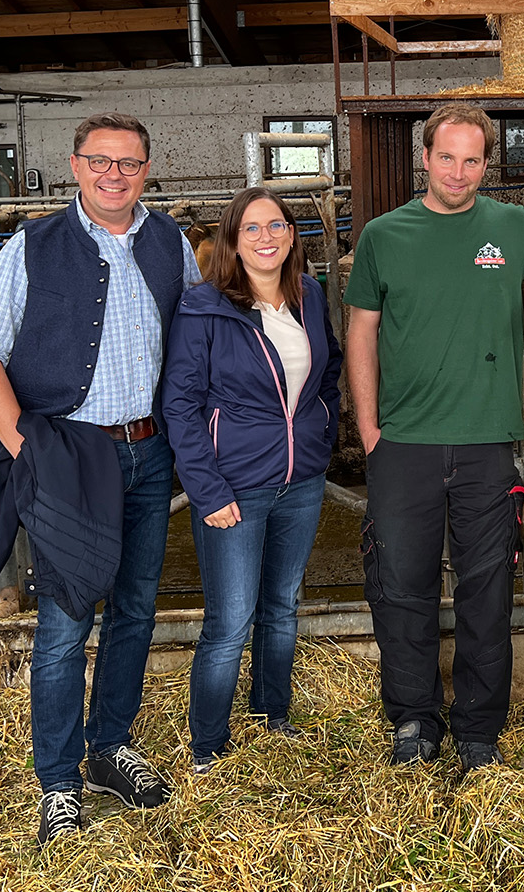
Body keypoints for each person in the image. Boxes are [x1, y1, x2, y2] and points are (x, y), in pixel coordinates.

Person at [0, 111, 200, 845]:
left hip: (147, 451)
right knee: (65, 623)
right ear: (75, 166)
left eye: (128, 163)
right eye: (100, 162)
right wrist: (25, 444)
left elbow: (195, 332)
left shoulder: (169, 242)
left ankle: (109, 748)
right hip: (67, 454)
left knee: (135, 606)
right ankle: (58, 782)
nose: (113, 175)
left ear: (147, 170)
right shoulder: (33, 244)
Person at [343, 102, 524, 771]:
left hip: (487, 443)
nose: (458, 171)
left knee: (487, 591)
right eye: (446, 157)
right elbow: (361, 331)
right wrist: (368, 429)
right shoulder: (384, 236)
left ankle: (479, 728)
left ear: (487, 163)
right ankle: (415, 720)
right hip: (403, 443)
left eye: (472, 159)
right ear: (425, 159)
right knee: (402, 586)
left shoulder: (509, 226)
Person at [161, 187, 342, 774]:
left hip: (301, 479)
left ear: (292, 235)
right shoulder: (205, 307)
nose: (266, 238)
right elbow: (181, 406)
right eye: (252, 229)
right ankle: (208, 746)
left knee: (283, 604)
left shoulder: (308, 296)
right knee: (230, 619)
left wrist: (322, 431)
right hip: (233, 487)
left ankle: (272, 715)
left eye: (277, 226)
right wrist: (207, 490)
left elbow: (329, 367)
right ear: (232, 243)